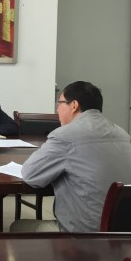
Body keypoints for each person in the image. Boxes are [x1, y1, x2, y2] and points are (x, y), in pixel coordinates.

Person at [11, 81, 131, 232]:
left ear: (74, 105)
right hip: (123, 233)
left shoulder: (65, 135)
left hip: (84, 236)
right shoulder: (123, 134)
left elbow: (30, 174)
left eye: (59, 103)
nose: (57, 109)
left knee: (17, 227)